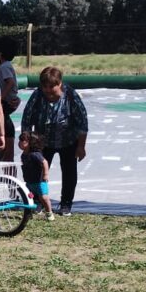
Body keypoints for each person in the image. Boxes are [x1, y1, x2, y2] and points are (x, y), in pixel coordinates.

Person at [20, 66, 89, 216]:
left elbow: (82, 122)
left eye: (52, 86)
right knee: (37, 172)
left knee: (69, 172)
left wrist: (81, 146)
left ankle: (66, 204)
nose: (48, 90)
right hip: (42, 142)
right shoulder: (37, 95)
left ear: (60, 84)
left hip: (68, 141)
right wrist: (26, 142)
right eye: (45, 87)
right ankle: (38, 202)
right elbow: (26, 119)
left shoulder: (70, 95)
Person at [0, 34, 21, 161]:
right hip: (7, 102)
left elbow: (10, 82)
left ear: (0, 52)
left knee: (0, 118)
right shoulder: (2, 66)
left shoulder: (5, 66)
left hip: (6, 102)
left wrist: (0, 98)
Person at [20, 131, 55, 221]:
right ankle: (29, 213)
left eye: (22, 141)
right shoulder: (23, 155)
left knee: (44, 197)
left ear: (30, 143)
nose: (19, 143)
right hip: (29, 182)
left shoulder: (35, 154)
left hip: (40, 182)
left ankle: (49, 213)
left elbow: (45, 162)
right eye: (19, 140)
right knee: (28, 197)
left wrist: (46, 174)